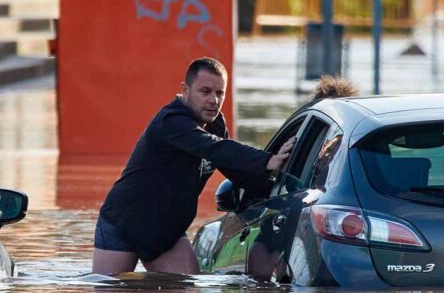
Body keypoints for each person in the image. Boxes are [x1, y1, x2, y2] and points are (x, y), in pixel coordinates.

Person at [92, 57, 295, 275]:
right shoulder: (171, 122)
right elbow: (215, 147)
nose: (214, 100)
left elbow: (236, 171)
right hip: (124, 224)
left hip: (166, 232)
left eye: (220, 93)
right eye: (205, 91)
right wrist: (267, 160)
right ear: (185, 90)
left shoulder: (215, 124)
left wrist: (281, 186)